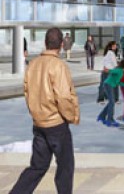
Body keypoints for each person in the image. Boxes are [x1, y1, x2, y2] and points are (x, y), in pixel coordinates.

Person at [10, 27, 79, 194]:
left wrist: (36, 113)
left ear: (45, 43)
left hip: (39, 124)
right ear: (62, 44)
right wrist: (72, 116)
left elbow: (27, 92)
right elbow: (63, 97)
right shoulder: (58, 66)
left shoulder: (33, 64)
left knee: (38, 166)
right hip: (57, 124)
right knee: (65, 166)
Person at [97, 58, 124, 128]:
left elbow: (118, 81)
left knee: (111, 102)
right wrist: (107, 70)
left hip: (110, 85)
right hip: (108, 85)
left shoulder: (122, 72)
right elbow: (112, 71)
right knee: (112, 101)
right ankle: (110, 119)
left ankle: (102, 116)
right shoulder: (119, 70)